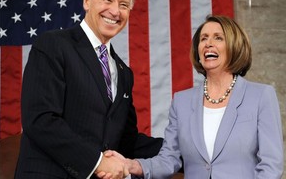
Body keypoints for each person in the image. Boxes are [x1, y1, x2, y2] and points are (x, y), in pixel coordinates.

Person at [14, 0, 163, 179]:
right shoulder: (53, 45)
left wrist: (184, 150)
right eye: (108, 0)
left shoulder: (124, 72)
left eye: (123, 5)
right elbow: (40, 119)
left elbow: (126, 141)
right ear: (87, 0)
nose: (115, 11)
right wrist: (98, 162)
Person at [103, 15, 284, 179]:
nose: (208, 43)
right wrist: (131, 165)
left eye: (218, 38)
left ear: (235, 46)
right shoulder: (181, 101)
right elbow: (169, 160)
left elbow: (271, 165)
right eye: (203, 38)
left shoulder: (261, 96)